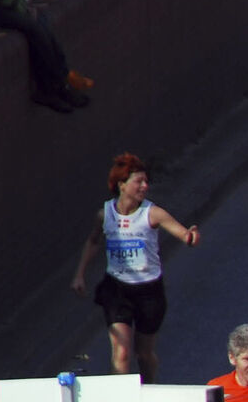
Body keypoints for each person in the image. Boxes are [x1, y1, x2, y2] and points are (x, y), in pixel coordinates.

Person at [72, 152, 199, 379]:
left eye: (146, 181)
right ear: (121, 185)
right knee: (121, 353)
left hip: (149, 291)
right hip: (117, 289)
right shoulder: (104, 215)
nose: (144, 186)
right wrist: (80, 274)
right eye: (138, 182)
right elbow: (93, 242)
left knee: (144, 354)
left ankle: (150, 394)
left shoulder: (153, 214)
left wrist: (192, 236)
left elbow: (184, 235)